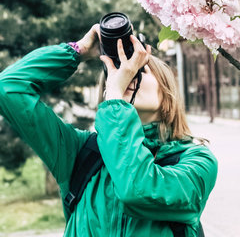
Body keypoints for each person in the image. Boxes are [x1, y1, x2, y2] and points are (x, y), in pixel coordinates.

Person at [0, 23, 218, 237]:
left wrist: (115, 102)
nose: (129, 75)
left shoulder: (197, 161)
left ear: (166, 89)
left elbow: (137, 191)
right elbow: (9, 88)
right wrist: (78, 51)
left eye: (140, 69)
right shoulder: (81, 153)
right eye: (120, 72)